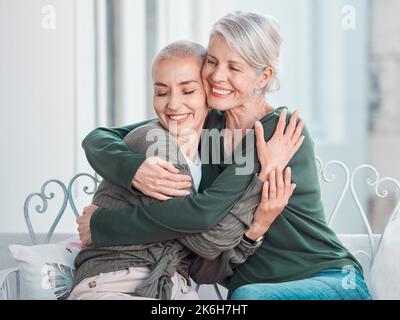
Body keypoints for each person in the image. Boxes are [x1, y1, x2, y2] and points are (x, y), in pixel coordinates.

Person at [77, 12, 371, 300]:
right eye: (213, 62)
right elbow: (99, 138)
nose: (218, 76)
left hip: (327, 281)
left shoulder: (276, 133)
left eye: (235, 67)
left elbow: (203, 214)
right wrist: (135, 169)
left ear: (263, 76)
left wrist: (103, 226)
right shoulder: (205, 120)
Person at [69, 41, 299, 300]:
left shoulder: (207, 159)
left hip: (173, 289)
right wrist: (263, 178)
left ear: (209, 95)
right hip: (114, 284)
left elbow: (203, 271)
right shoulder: (154, 144)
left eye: (188, 91)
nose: (173, 105)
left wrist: (257, 228)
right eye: (161, 92)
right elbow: (207, 241)